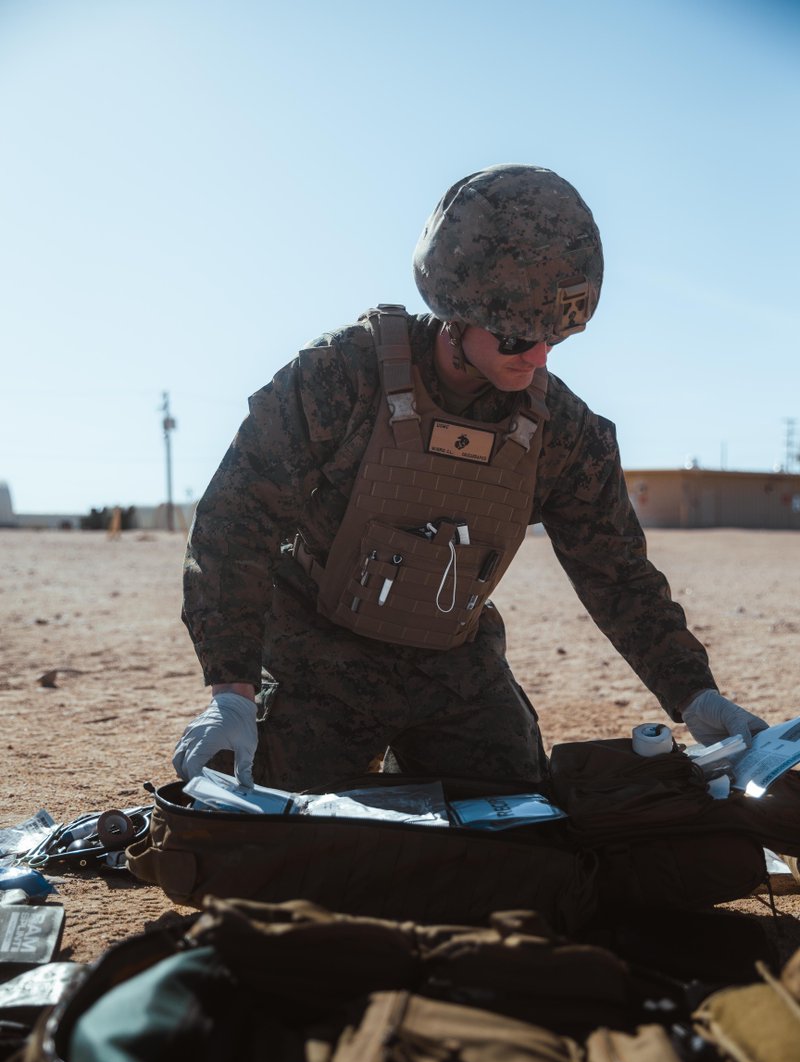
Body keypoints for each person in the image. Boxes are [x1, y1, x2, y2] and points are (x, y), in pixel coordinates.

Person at [173, 164, 767, 794]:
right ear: (456, 311)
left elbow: (618, 574)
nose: (536, 358)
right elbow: (235, 525)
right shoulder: (342, 376)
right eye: (516, 338)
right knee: (269, 824)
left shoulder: (563, 432)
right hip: (316, 653)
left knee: (515, 826)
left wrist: (695, 694)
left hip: (453, 664)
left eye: (555, 340)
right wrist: (232, 692)